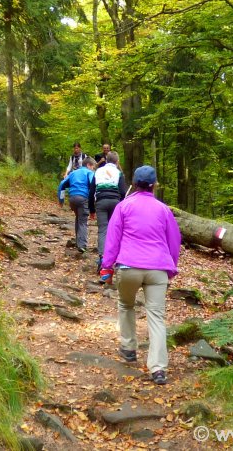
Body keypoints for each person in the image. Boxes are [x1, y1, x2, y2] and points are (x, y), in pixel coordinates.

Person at [99, 165, 180, 385]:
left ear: (134, 183)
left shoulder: (124, 206)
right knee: (156, 316)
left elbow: (112, 239)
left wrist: (106, 267)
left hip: (129, 267)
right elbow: (174, 241)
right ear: (154, 184)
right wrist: (171, 266)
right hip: (158, 269)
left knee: (126, 305)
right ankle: (159, 369)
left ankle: (128, 348)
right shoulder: (164, 210)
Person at [90, 151, 126, 270]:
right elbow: (122, 192)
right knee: (114, 231)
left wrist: (91, 209)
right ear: (117, 161)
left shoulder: (98, 171)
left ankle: (102, 258)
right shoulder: (119, 173)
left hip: (100, 201)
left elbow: (91, 191)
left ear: (106, 159)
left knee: (103, 230)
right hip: (115, 202)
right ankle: (113, 258)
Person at [58, 156, 96, 252]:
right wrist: (95, 199)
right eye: (93, 167)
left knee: (78, 218)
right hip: (83, 197)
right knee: (83, 221)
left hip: (72, 199)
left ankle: (78, 241)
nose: (93, 169)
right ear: (88, 165)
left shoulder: (73, 173)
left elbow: (62, 184)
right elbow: (93, 185)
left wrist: (61, 199)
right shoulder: (89, 173)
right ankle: (82, 245)